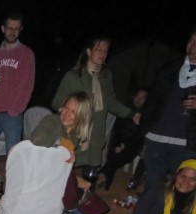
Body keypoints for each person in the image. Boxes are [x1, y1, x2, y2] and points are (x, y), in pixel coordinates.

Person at [31, 91, 110, 214]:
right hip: (40, 177)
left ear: (81, 116)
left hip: (58, 179)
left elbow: (64, 165)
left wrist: (76, 177)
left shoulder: (76, 135)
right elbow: (37, 140)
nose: (66, 114)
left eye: (73, 112)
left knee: (96, 204)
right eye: (66, 108)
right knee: (78, 197)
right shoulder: (52, 121)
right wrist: (63, 146)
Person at [52, 36, 140, 175]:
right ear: (88, 51)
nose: (102, 54)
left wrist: (131, 114)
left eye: (105, 50)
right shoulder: (73, 76)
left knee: (90, 175)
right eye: (99, 49)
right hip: (75, 133)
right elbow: (57, 102)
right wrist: (76, 110)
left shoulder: (106, 76)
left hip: (96, 134)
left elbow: (110, 102)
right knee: (64, 172)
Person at [0, 12, 35, 173]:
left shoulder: (26, 54)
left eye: (16, 29)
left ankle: (12, 189)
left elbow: (27, 87)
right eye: (9, 28)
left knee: (14, 155)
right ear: (3, 29)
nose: (12, 32)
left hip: (12, 115)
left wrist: (15, 110)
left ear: (20, 30)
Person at [140, 28, 196, 189]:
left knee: (181, 191)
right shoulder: (170, 67)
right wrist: (143, 133)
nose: (193, 45)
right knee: (152, 187)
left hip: (188, 145)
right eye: (191, 40)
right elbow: (152, 101)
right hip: (157, 139)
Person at [98, 87, 149, 190]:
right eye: (137, 96)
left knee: (116, 157)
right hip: (120, 143)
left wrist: (126, 145)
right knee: (114, 153)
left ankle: (103, 175)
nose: (138, 99)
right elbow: (117, 131)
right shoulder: (126, 111)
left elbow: (141, 137)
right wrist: (118, 144)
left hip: (134, 147)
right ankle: (104, 177)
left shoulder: (147, 116)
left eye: (142, 98)